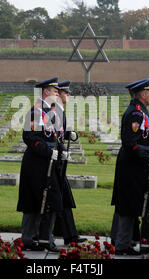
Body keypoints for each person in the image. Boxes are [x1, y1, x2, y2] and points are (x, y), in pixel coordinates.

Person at [110, 79, 149, 255]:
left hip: (138, 167)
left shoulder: (141, 111)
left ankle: (145, 244)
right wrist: (147, 156)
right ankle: (123, 245)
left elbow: (144, 137)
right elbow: (130, 143)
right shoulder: (135, 113)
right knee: (130, 207)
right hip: (132, 167)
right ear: (142, 94)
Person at [17, 76, 63, 252]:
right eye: (54, 91)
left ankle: (43, 238)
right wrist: (48, 151)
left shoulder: (50, 111)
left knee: (51, 201)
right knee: (33, 201)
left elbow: (53, 136)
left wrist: (60, 148)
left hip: (48, 161)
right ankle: (30, 238)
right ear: (46, 92)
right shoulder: (36, 111)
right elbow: (30, 138)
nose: (57, 93)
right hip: (36, 162)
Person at [53, 80, 87, 245]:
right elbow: (51, 135)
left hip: (58, 159)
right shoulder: (53, 111)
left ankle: (69, 234)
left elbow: (61, 133)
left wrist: (71, 134)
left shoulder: (60, 110)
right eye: (66, 92)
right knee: (60, 197)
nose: (68, 95)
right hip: (52, 160)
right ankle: (62, 234)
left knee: (64, 196)